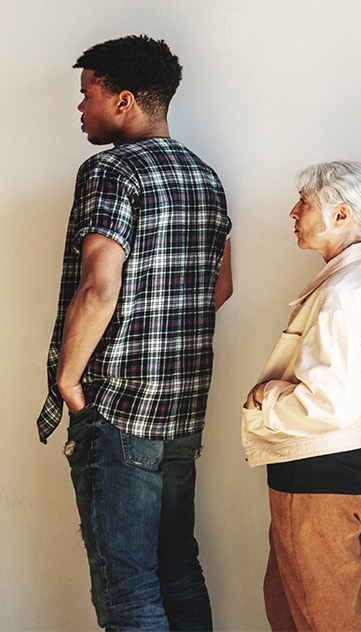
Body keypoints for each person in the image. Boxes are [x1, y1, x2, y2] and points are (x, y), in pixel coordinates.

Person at [45, 34, 232, 630]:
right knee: (178, 568)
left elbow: (99, 287)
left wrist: (69, 380)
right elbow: (220, 287)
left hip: (119, 404)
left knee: (126, 587)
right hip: (182, 405)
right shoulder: (206, 177)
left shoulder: (111, 171)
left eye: (87, 94)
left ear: (124, 100)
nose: (80, 108)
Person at [244, 161, 361, 630]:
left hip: (318, 479)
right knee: (301, 611)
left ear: (341, 216)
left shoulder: (343, 292)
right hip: (347, 468)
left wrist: (263, 401)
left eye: (305, 202)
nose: (293, 211)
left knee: (325, 621)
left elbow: (328, 404)